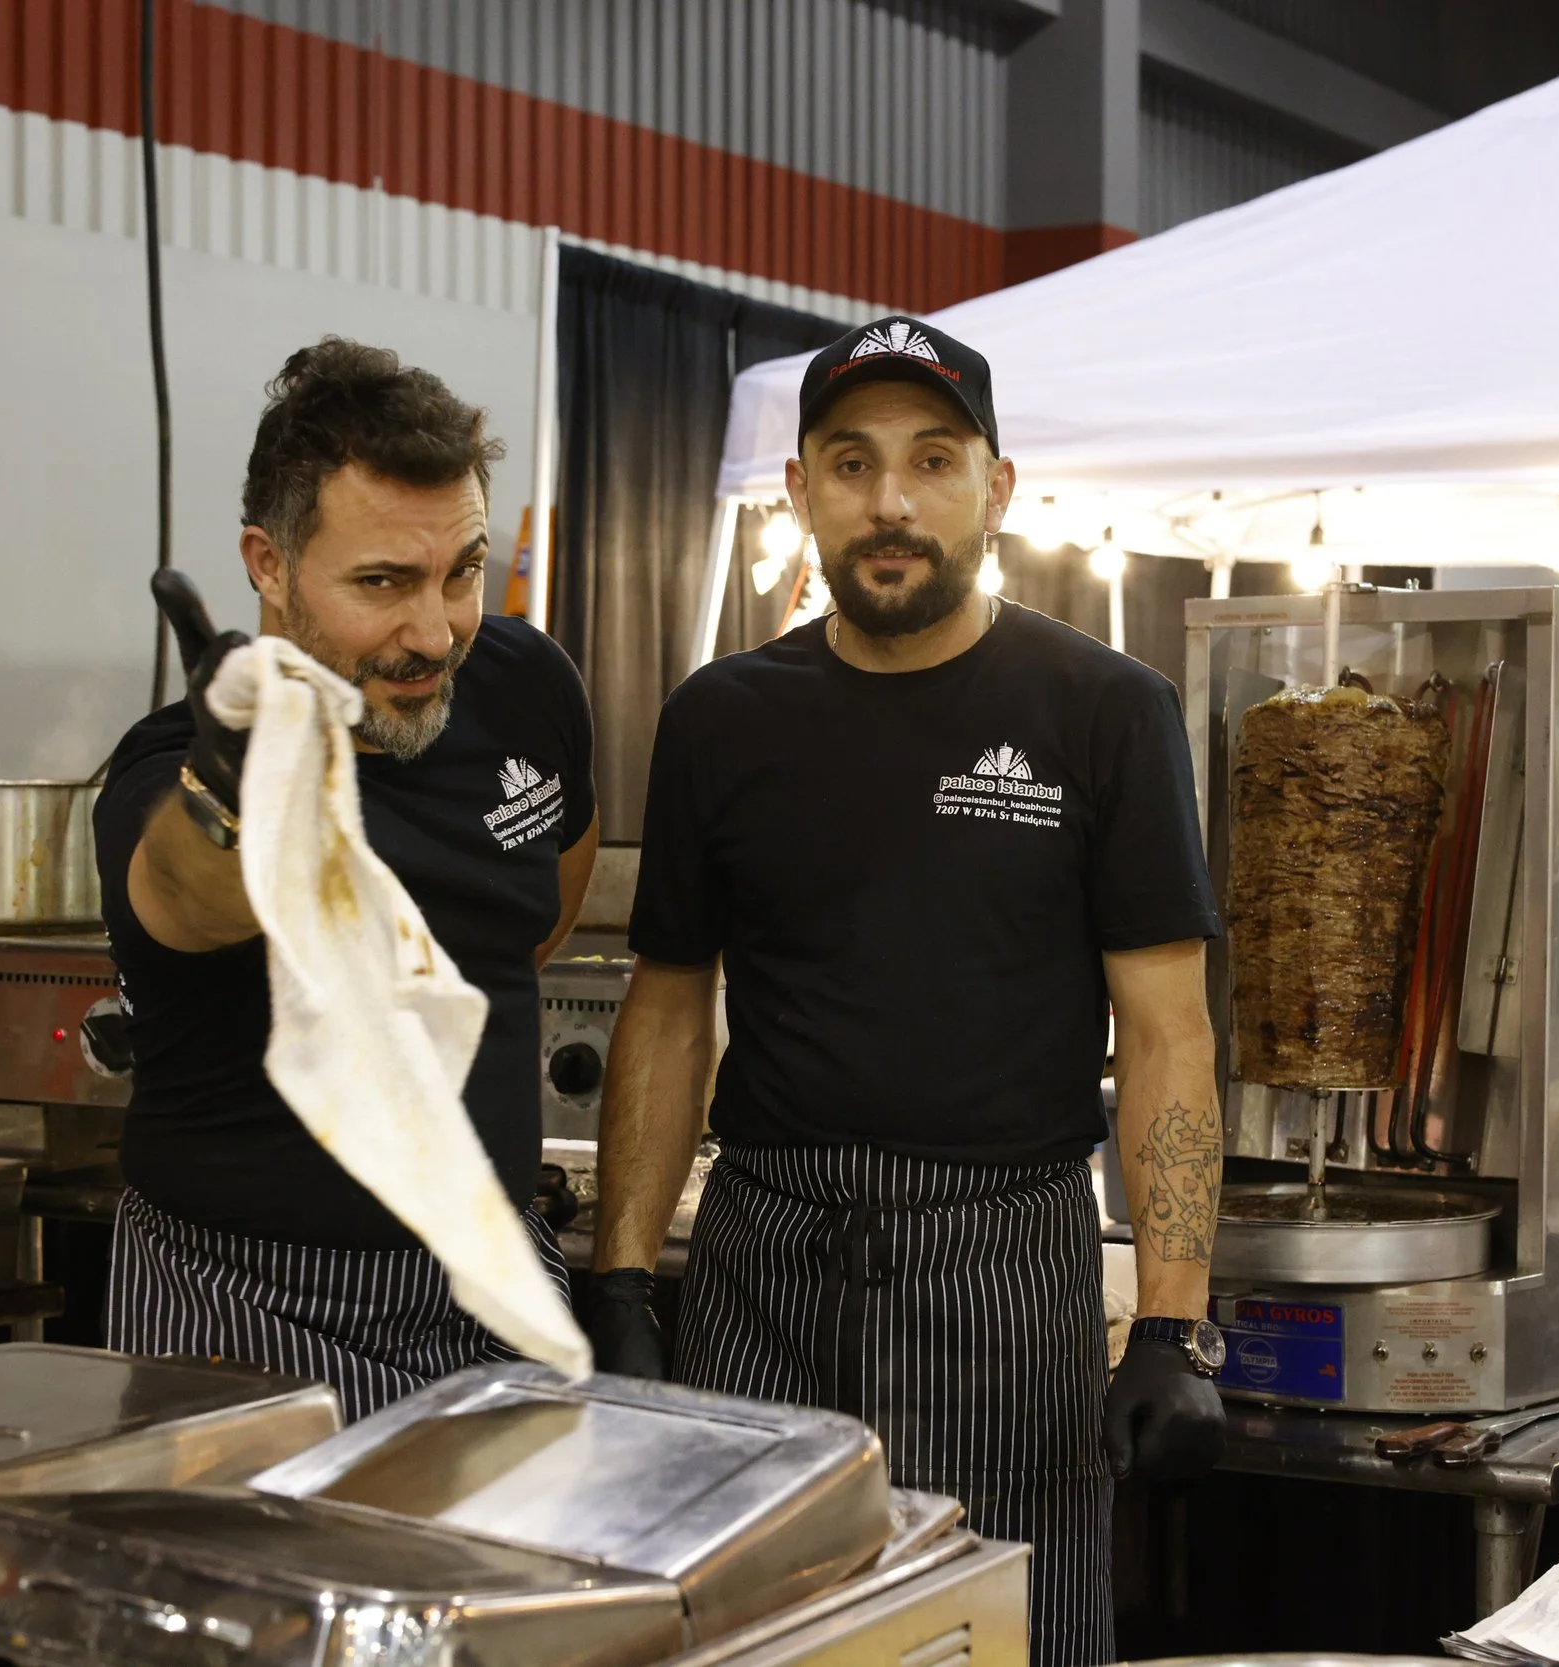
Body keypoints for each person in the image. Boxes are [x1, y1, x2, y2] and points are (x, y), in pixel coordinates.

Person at [584, 316, 1226, 1666]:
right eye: (852, 461)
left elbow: (1167, 1032)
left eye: (932, 460)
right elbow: (666, 1003)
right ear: (801, 490)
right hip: (762, 1261)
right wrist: (626, 1277)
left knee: (1004, 1639)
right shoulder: (720, 718)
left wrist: (1173, 1317)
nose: (890, 501)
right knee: (757, 1641)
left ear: (996, 487)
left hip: (1002, 1272)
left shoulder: (1106, 708)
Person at [96, 338, 599, 1419]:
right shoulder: (169, 770)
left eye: (459, 570)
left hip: (496, 1285)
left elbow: (537, 914)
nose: (433, 630)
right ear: (268, 563)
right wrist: (237, 796)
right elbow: (188, 893)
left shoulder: (527, 689)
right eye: (382, 582)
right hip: (244, 1313)